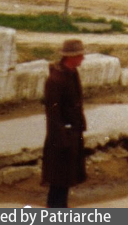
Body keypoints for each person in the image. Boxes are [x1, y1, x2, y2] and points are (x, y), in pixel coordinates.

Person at [42, 38, 88, 208]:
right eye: (81, 55)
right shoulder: (56, 80)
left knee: (66, 179)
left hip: (71, 134)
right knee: (58, 181)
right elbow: (53, 114)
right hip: (60, 138)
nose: (83, 58)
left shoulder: (72, 73)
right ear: (72, 57)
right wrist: (62, 140)